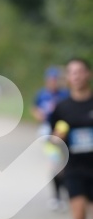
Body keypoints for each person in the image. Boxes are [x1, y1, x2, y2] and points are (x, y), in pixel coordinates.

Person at [50, 58, 93, 219]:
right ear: (68, 78)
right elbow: (51, 142)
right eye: (71, 72)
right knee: (78, 217)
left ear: (88, 75)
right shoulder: (62, 108)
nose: (76, 76)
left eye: (80, 71)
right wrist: (57, 142)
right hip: (75, 169)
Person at [31, 66, 69, 210]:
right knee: (55, 165)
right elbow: (34, 108)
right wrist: (38, 114)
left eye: (55, 80)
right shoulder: (42, 94)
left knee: (65, 166)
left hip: (62, 131)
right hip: (47, 132)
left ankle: (67, 194)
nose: (53, 82)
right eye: (50, 80)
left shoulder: (64, 94)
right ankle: (56, 197)